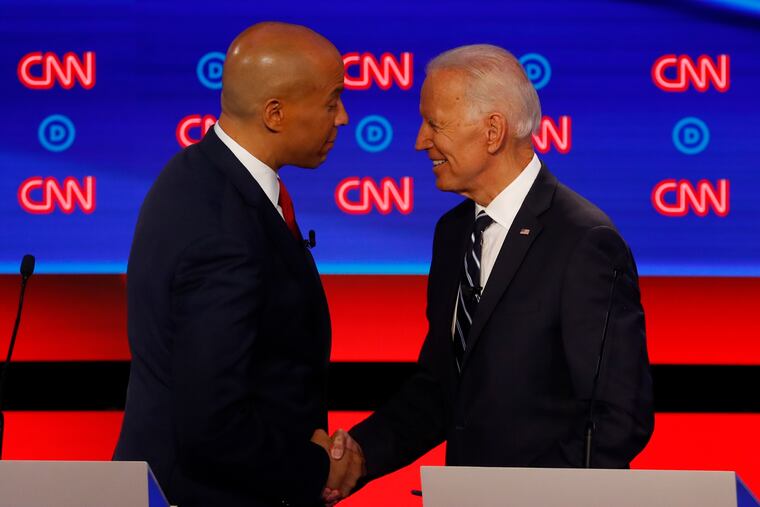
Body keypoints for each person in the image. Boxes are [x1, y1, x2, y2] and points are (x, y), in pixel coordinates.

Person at [326, 44, 654, 502]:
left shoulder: (584, 241)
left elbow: (616, 419)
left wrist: (510, 496)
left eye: (434, 124)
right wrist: (359, 453)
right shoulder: (453, 233)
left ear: (493, 131)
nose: (420, 141)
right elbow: (441, 390)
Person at [113, 22, 364, 507]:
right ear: (276, 113)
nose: (344, 119)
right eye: (332, 102)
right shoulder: (221, 226)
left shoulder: (198, 174)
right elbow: (212, 423)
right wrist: (316, 468)